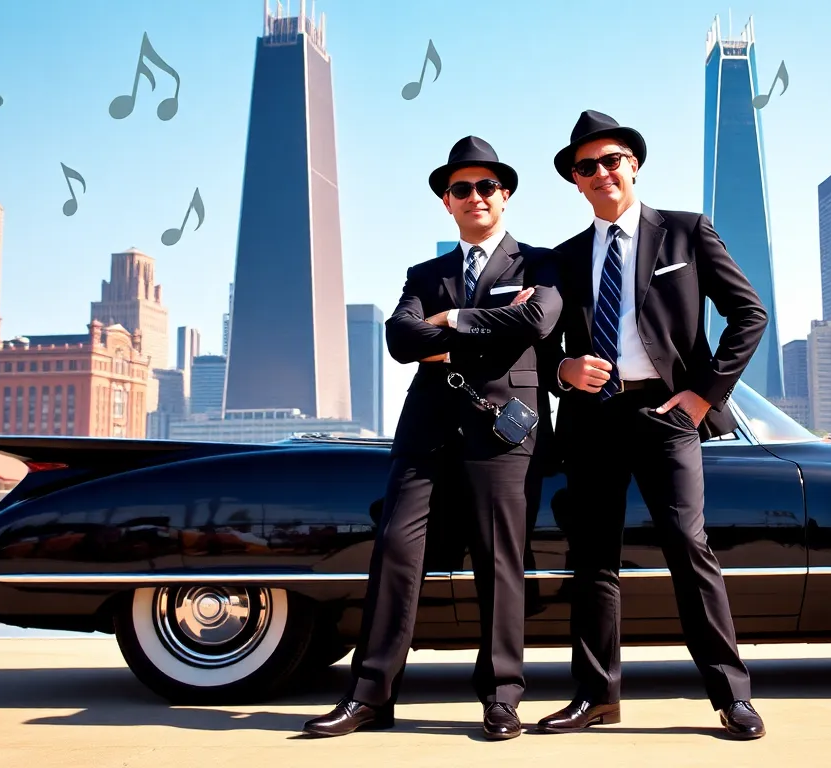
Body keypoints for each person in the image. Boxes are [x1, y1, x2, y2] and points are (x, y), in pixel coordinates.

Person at [303, 136, 561, 741]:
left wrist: (448, 324)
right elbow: (399, 340)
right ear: (447, 203)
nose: (474, 196)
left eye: (486, 186)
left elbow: (538, 320)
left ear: (506, 195)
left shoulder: (539, 264)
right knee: (395, 549)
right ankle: (370, 695)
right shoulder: (426, 273)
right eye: (461, 189)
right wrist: (478, 331)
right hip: (425, 435)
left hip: (503, 434)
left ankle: (501, 696)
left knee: (501, 562)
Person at [535, 110, 768, 740]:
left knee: (688, 548)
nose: (602, 173)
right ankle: (596, 695)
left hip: (666, 415)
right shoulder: (561, 259)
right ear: (576, 182)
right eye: (588, 167)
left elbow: (750, 315)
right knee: (592, 559)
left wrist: (702, 395)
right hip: (592, 419)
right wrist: (562, 369)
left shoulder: (687, 233)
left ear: (633, 164)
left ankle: (731, 695)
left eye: (612, 160)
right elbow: (538, 342)